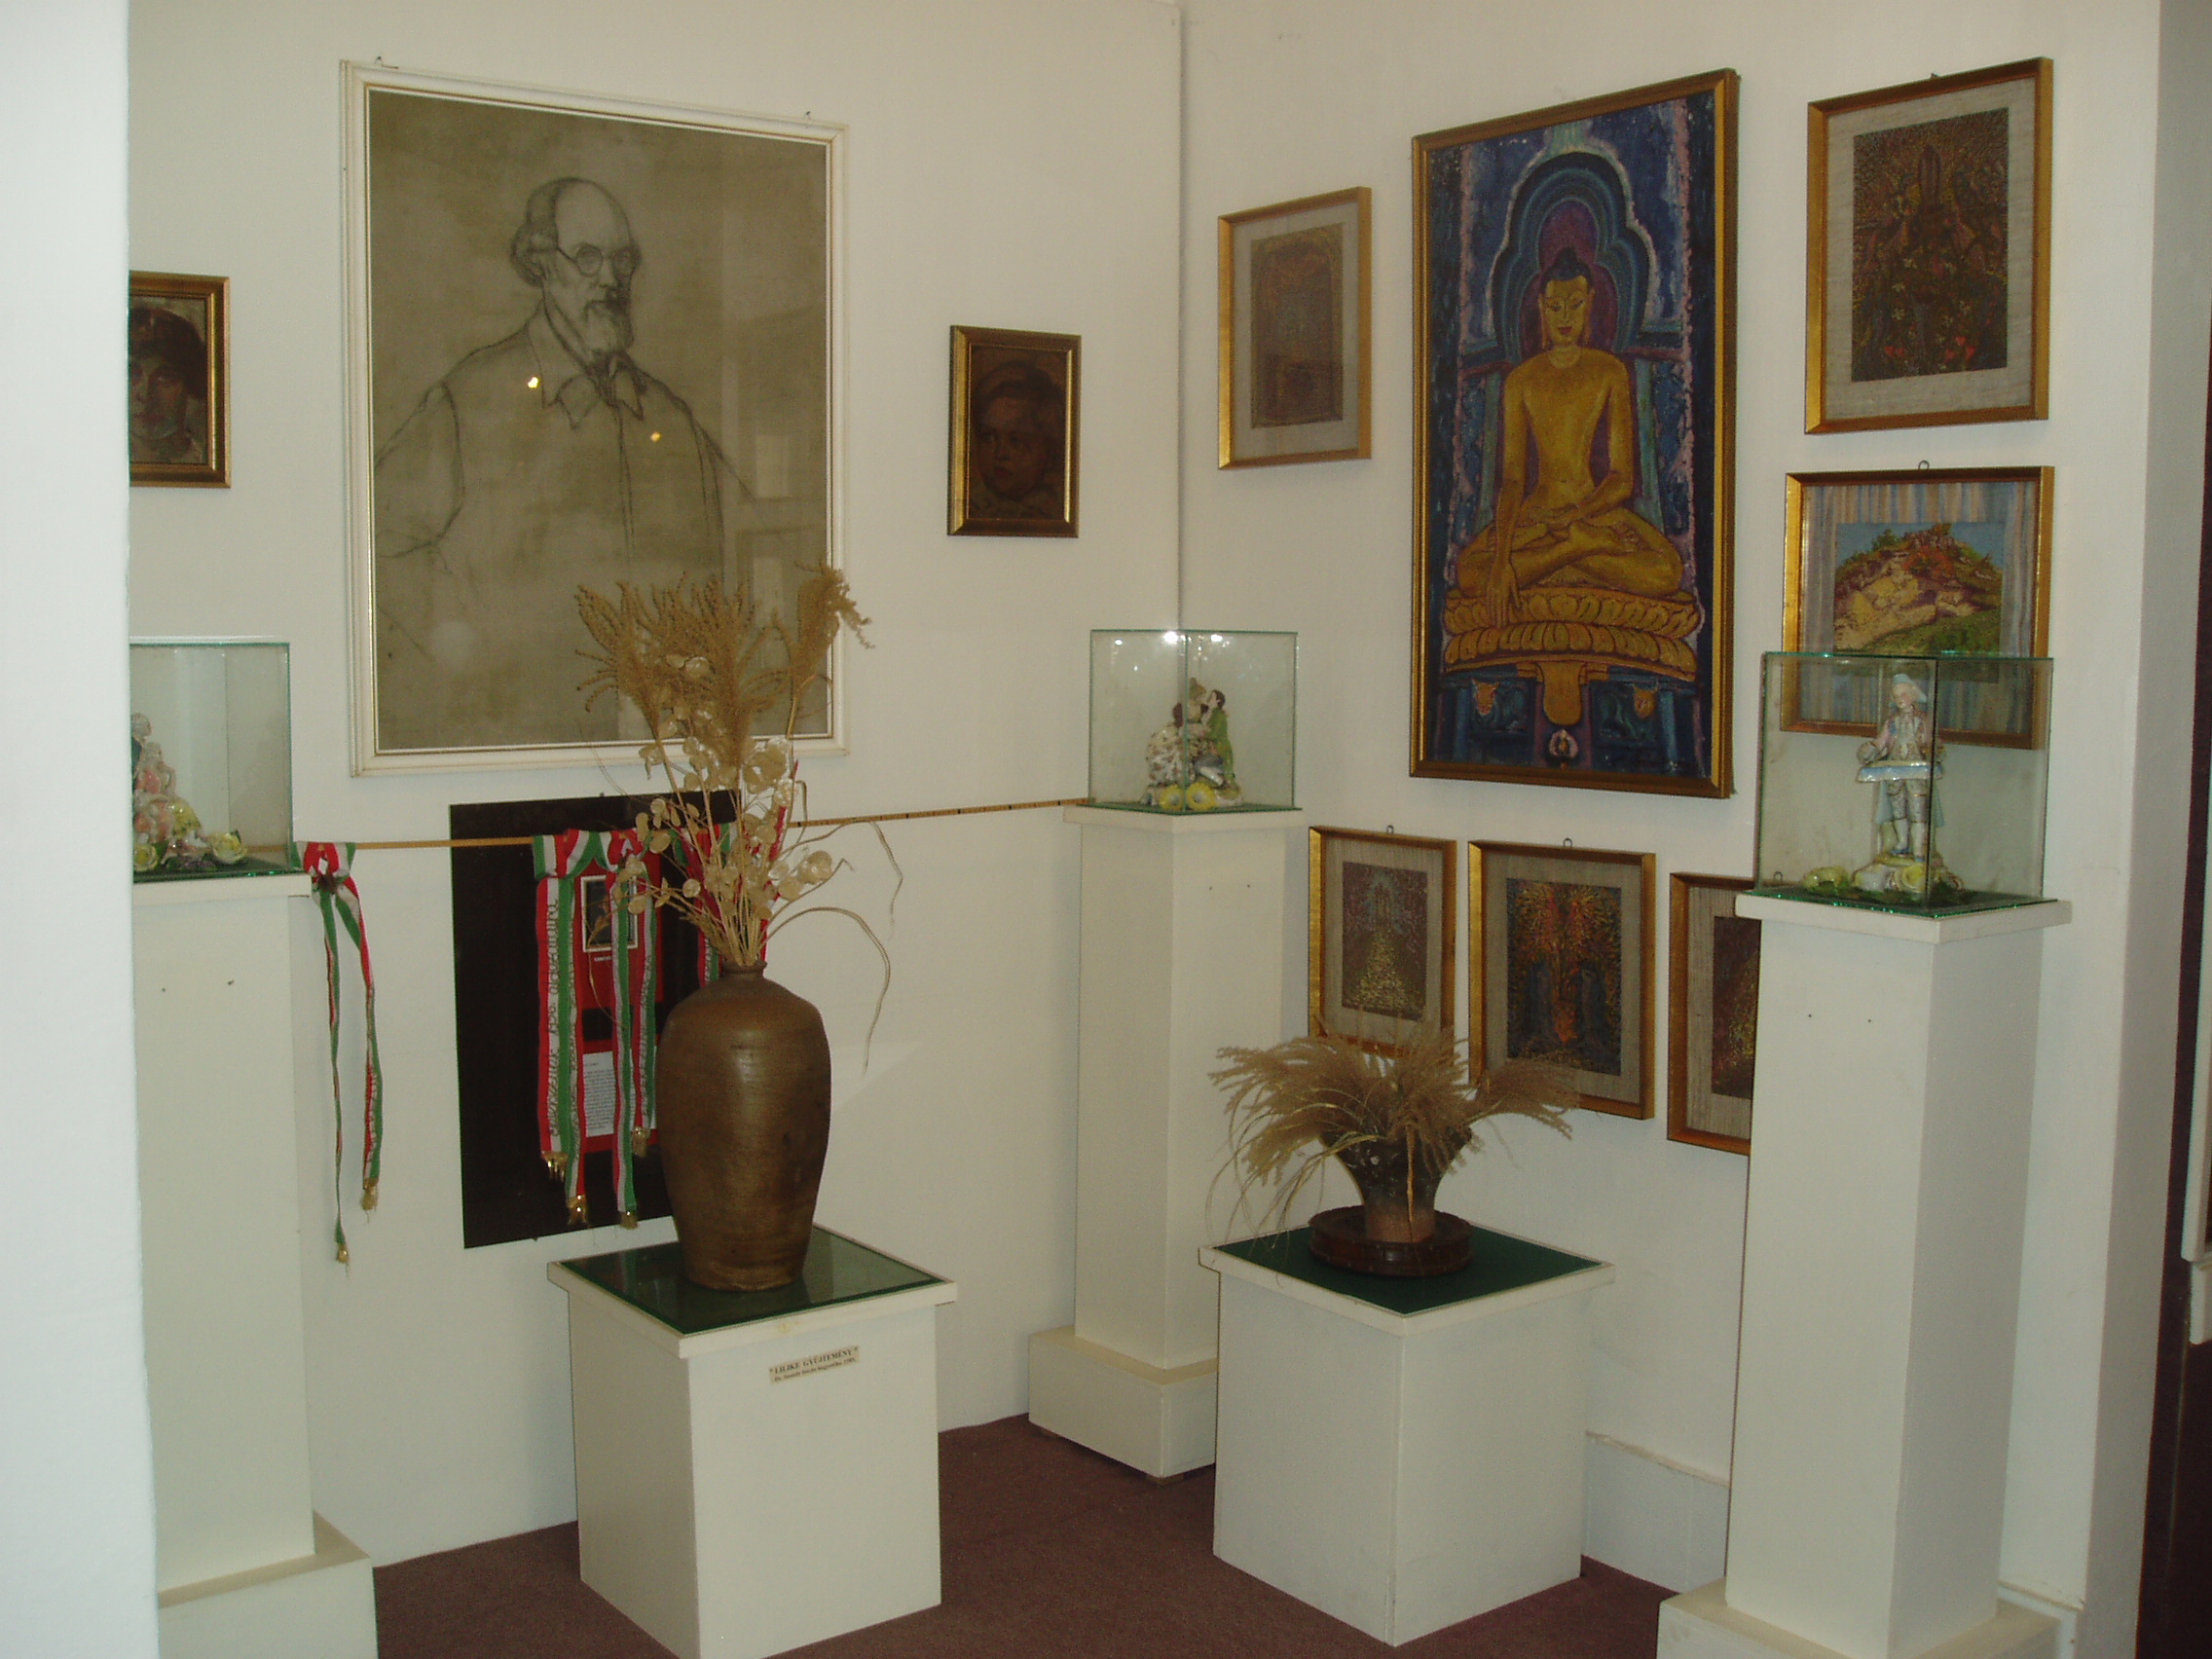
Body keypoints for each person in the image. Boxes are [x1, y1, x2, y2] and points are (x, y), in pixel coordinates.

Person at [374, 177, 733, 750]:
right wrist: (460, 642)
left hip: (654, 757)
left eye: (623, 260)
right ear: (541, 263)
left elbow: (715, 581)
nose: (611, 279)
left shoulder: (670, 418)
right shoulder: (471, 399)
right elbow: (375, 544)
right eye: (587, 257)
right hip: (509, 745)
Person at [1455, 247, 1682, 620]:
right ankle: (1574, 549)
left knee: (1668, 570)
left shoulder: (1609, 371)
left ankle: (1559, 550)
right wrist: (1502, 560)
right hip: (1539, 513)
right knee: (1470, 573)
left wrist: (1576, 515)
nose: (1564, 317)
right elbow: (1513, 480)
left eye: (1575, 305)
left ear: (1590, 303)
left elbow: (1621, 479)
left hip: (1593, 508)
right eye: (1555, 307)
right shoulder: (1521, 380)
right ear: (1541, 307)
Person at [966, 358, 1065, 520]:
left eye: (1015, 441)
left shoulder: (1054, 509)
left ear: (1047, 449)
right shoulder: (972, 507)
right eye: (988, 438)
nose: (1000, 454)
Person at [129, 304, 209, 466]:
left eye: (165, 379)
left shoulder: (203, 462)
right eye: (133, 375)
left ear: (190, 385)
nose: (145, 394)